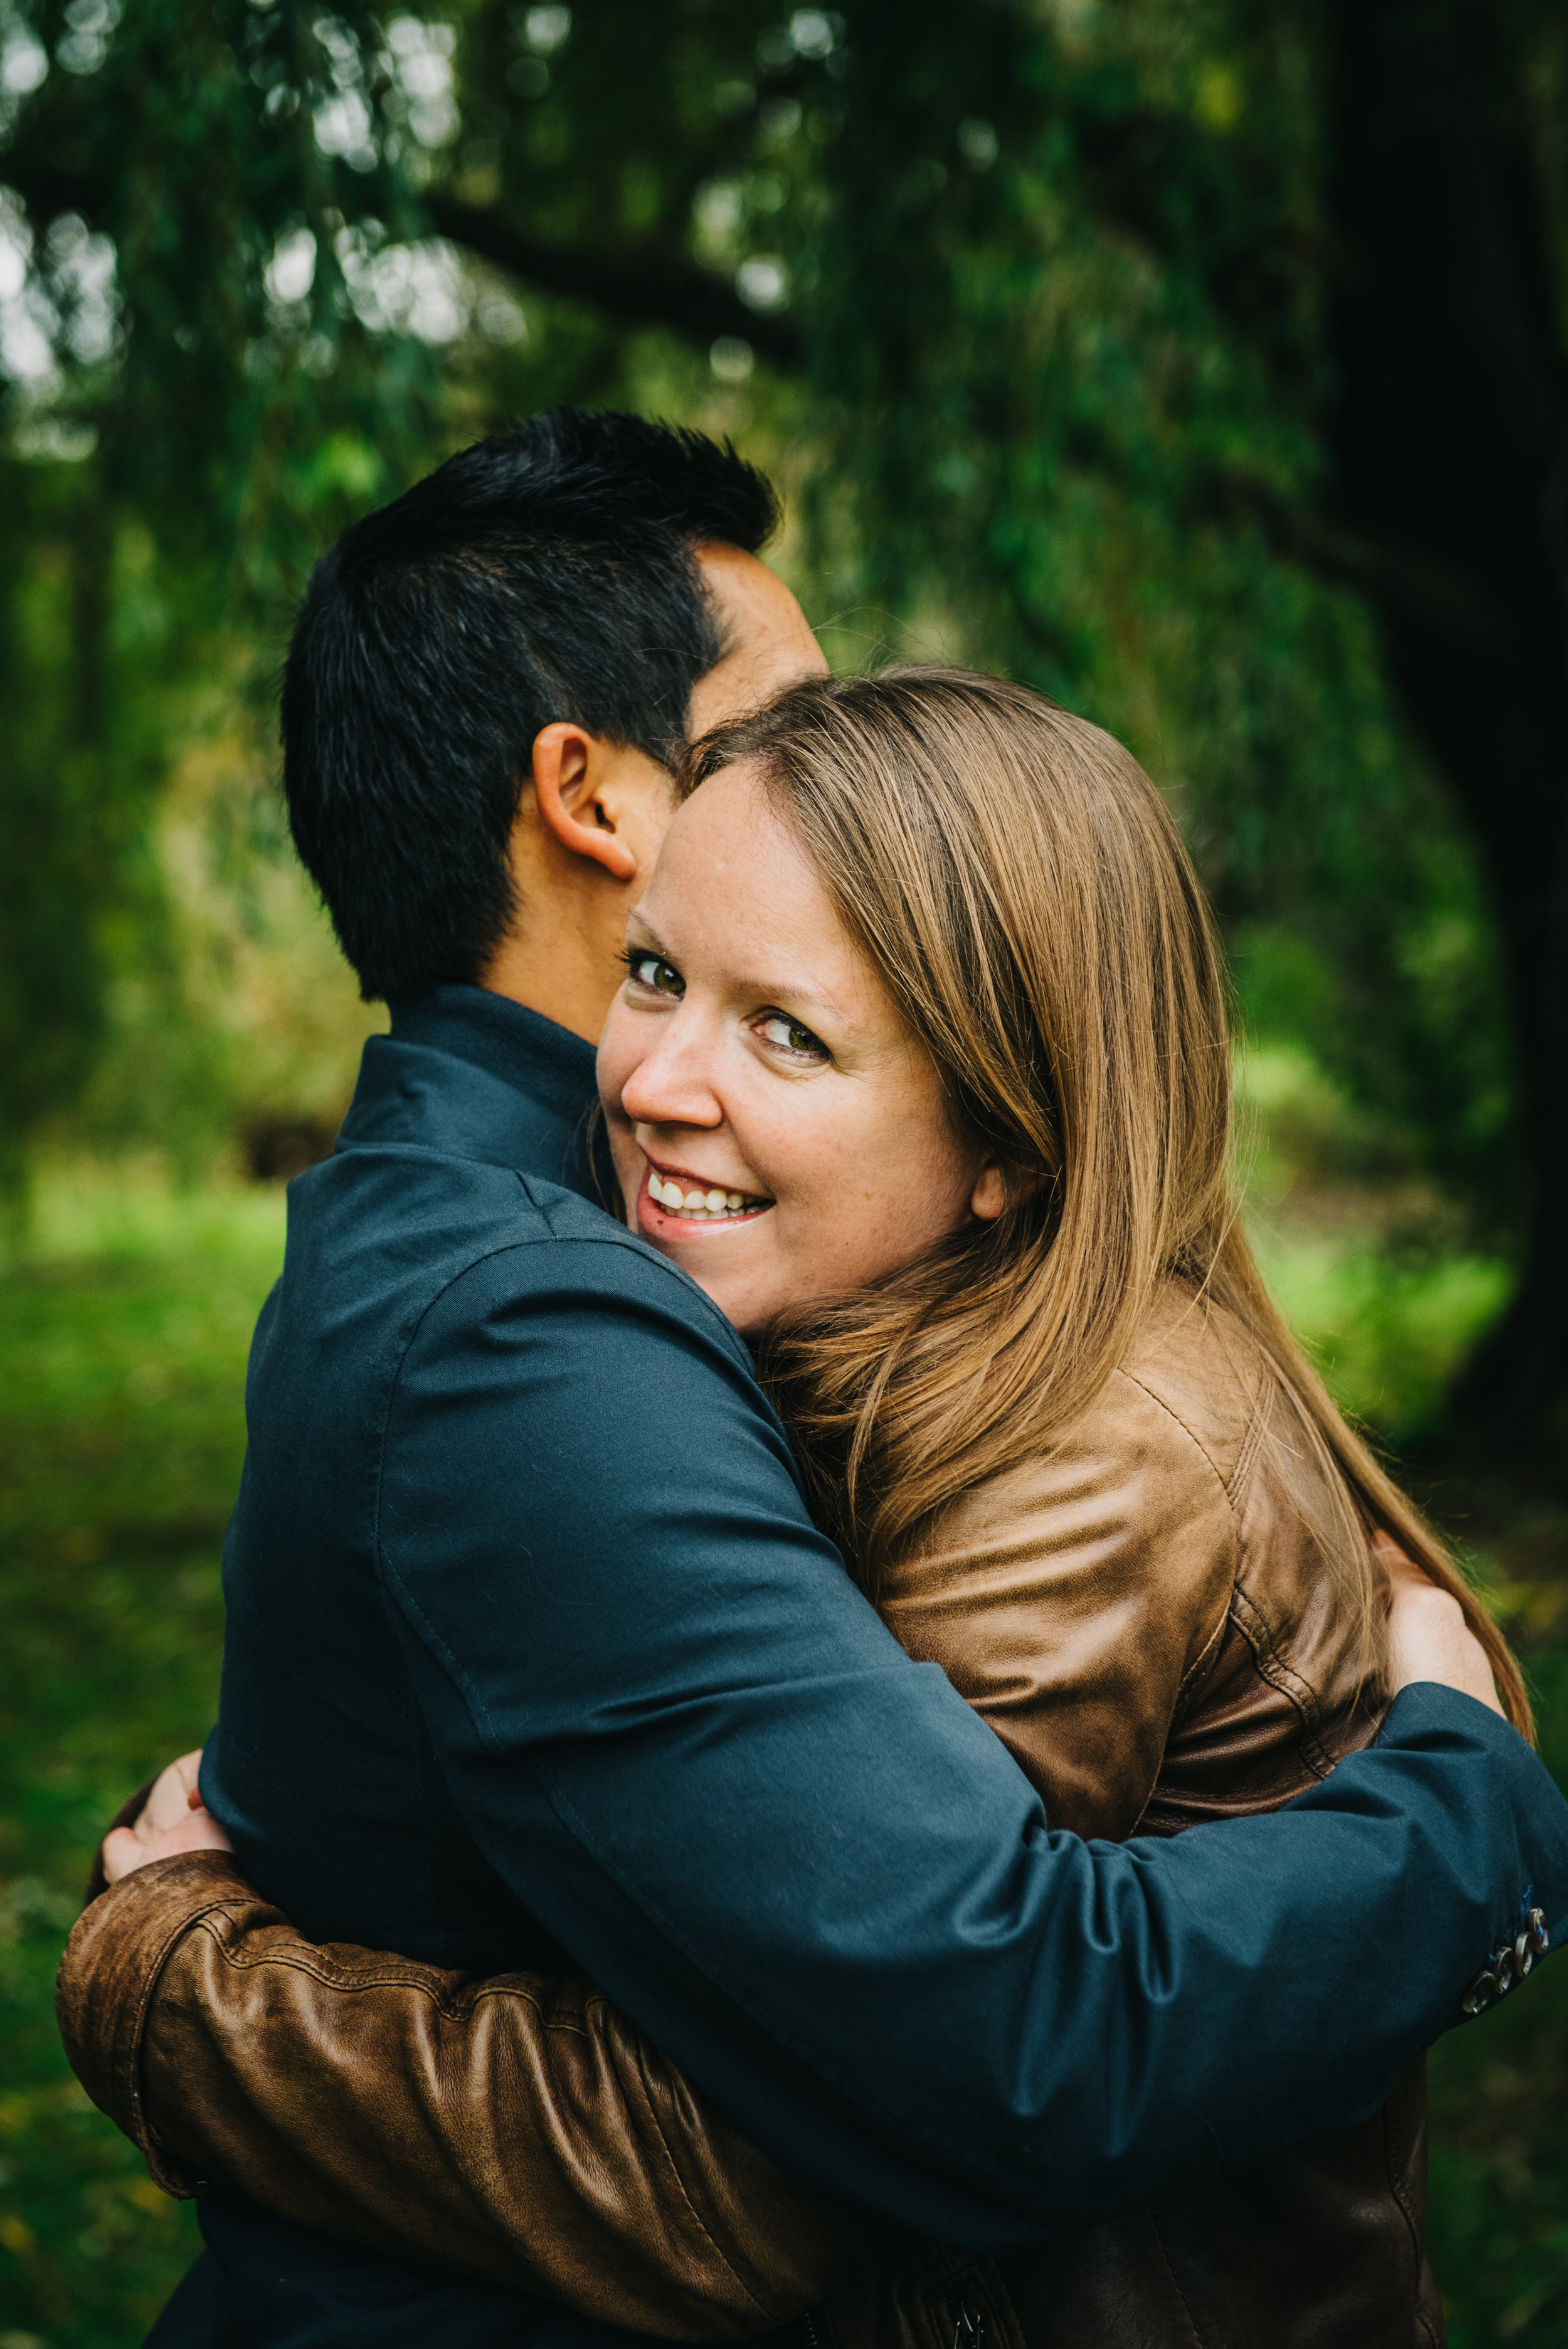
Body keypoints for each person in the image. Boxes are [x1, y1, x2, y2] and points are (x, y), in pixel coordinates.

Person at [58, 424, 1567, 2349]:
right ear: (596, 799)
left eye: (787, 1028)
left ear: (1001, 1131)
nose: (827, 758)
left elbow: (932, 2075)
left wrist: (180, 1983)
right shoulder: (542, 1314)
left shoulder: (565, 1270)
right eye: (784, 713)